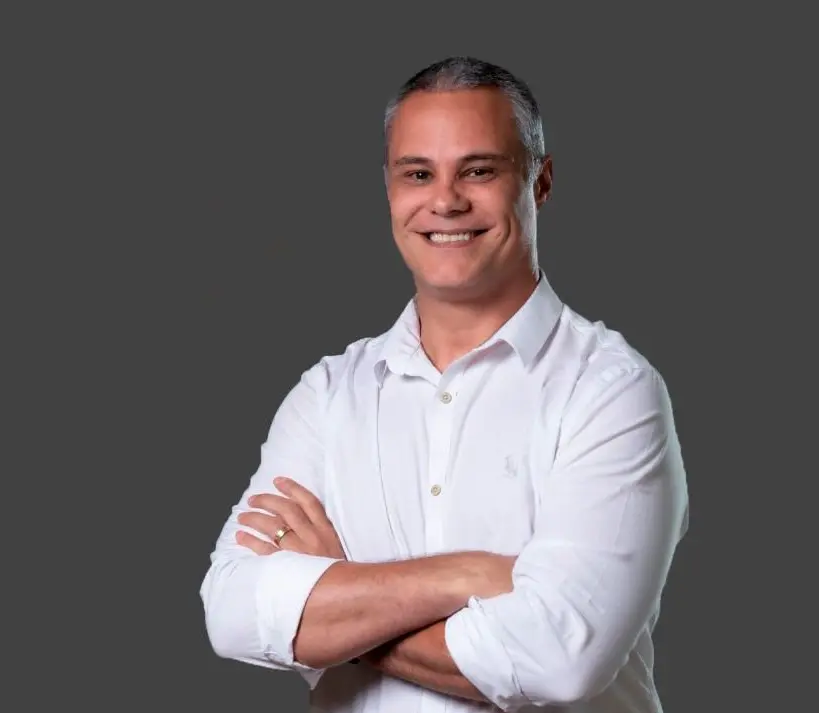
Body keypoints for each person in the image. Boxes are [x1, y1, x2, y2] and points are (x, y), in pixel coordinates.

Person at [199, 56, 689, 712]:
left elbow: (560, 659)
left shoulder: (610, 392)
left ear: (540, 181)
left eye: (478, 170)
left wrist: (339, 598)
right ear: (389, 188)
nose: (446, 200)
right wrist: (467, 575)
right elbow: (232, 612)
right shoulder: (327, 396)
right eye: (418, 174)